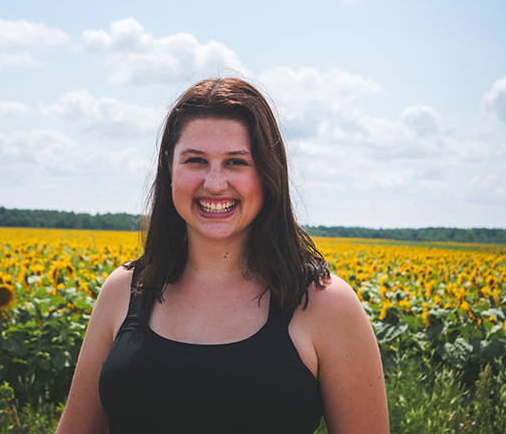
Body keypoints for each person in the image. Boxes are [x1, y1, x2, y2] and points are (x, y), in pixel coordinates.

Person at [55, 77, 388, 434]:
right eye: (196, 160)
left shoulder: (325, 305)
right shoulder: (124, 291)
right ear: (169, 166)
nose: (214, 183)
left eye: (236, 163)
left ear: (267, 171)